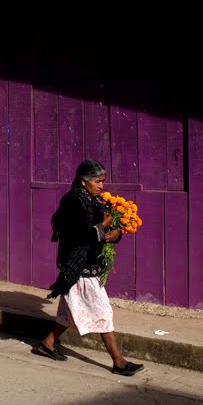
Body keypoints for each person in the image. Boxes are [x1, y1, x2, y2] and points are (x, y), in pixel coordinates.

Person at [34, 158, 145, 376]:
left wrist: (115, 233)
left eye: (102, 181)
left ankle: (47, 343)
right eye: (97, 181)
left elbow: (108, 227)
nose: (101, 185)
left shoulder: (94, 200)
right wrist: (103, 227)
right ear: (83, 182)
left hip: (90, 265)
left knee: (69, 313)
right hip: (78, 266)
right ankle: (118, 361)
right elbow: (78, 236)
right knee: (102, 311)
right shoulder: (73, 201)